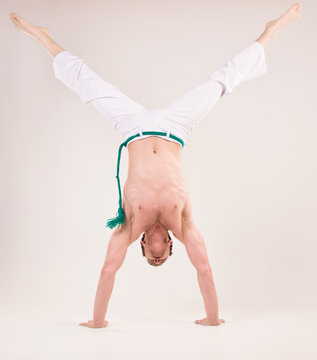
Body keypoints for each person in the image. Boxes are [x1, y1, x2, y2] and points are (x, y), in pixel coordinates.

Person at [10, 2, 302, 328]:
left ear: (146, 245)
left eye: (152, 257)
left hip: (133, 127)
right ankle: (271, 31)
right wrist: (213, 318)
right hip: (176, 127)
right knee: (220, 82)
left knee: (88, 84)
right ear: (170, 244)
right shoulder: (184, 223)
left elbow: (108, 271)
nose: (157, 255)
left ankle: (41, 36)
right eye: (162, 258)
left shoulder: (130, 227)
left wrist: (97, 321)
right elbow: (204, 268)